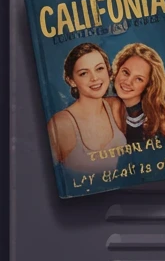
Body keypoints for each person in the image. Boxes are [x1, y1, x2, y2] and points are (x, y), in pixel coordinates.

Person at [46, 43, 126, 176]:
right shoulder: (61, 124)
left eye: (99, 69)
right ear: (71, 80)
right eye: (84, 73)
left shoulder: (116, 106)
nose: (94, 78)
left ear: (108, 71)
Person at [110, 41, 165, 141]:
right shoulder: (106, 107)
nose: (128, 81)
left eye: (139, 79)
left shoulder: (160, 120)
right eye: (125, 72)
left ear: (149, 85)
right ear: (117, 70)